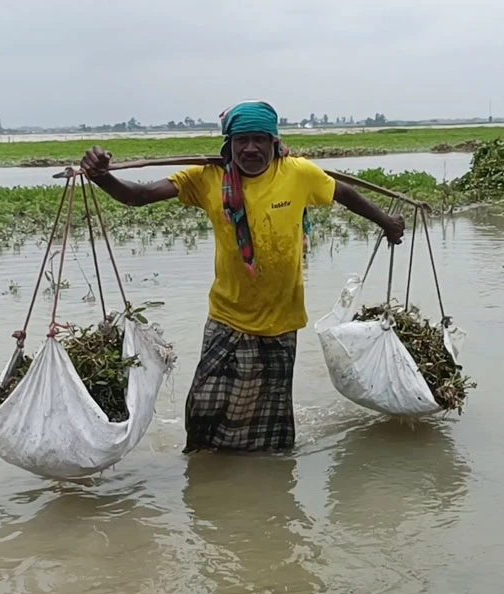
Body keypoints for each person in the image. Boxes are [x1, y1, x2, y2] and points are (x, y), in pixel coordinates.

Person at [81, 100, 404, 453]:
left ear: (273, 142)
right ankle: (206, 462)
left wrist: (386, 223)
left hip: (281, 320)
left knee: (273, 427)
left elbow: (343, 193)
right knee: (204, 410)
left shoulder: (298, 174)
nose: (251, 148)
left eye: (259, 140)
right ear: (229, 145)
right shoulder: (206, 179)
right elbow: (139, 195)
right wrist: (102, 176)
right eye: (241, 140)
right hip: (228, 316)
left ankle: (262, 486)